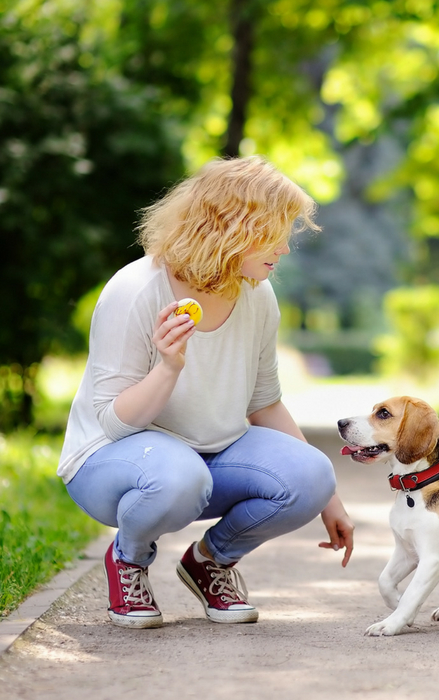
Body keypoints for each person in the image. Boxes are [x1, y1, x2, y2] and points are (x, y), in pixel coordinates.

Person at [57, 156, 354, 629]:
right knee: (181, 477)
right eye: (276, 232)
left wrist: (328, 499)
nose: (285, 248)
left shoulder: (258, 295)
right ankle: (128, 560)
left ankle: (210, 561)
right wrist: (168, 368)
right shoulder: (136, 288)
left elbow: (265, 403)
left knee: (314, 474)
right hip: (110, 461)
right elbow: (113, 423)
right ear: (236, 227)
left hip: (207, 457)